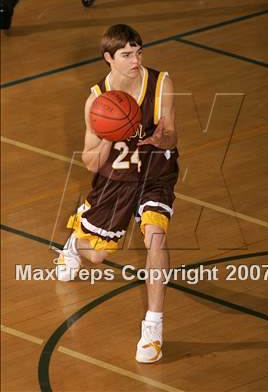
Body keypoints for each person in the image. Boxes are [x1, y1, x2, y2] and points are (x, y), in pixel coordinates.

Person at [54, 24, 179, 363]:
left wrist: (159, 139)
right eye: (126, 54)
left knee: (156, 238)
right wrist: (111, 132)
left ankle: (153, 328)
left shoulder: (161, 82)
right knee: (95, 256)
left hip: (155, 174)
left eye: (138, 52)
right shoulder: (96, 98)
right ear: (109, 58)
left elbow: (172, 138)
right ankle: (74, 242)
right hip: (116, 180)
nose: (136, 60)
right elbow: (92, 162)